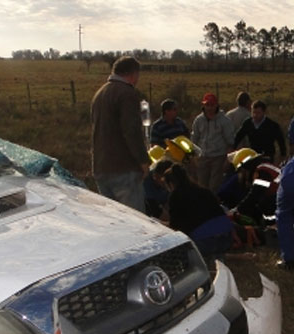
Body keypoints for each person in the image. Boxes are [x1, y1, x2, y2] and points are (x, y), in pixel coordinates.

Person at [90, 56, 150, 212]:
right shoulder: (127, 94)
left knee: (114, 220)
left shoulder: (100, 93)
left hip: (101, 167)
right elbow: (131, 131)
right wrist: (143, 160)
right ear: (133, 74)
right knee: (134, 219)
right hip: (123, 168)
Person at [162, 163, 233, 259]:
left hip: (206, 242)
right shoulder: (204, 190)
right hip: (227, 238)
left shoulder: (175, 196)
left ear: (170, 184)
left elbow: (176, 226)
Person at [191, 93, 235, 191]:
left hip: (218, 158)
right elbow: (194, 139)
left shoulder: (224, 121)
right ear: (203, 105)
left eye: (212, 105)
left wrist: (227, 160)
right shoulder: (199, 120)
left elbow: (230, 142)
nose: (209, 108)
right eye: (207, 105)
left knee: (214, 186)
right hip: (203, 157)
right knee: (202, 186)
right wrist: (194, 157)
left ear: (216, 105)